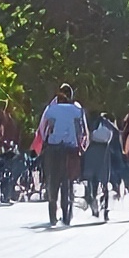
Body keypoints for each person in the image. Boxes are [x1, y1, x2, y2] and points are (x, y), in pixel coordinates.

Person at [37, 83, 88, 226]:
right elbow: (83, 131)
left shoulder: (50, 109)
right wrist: (81, 146)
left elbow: (42, 128)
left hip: (53, 149)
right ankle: (66, 216)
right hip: (70, 150)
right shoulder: (77, 110)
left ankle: (52, 215)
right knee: (67, 181)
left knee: (52, 180)